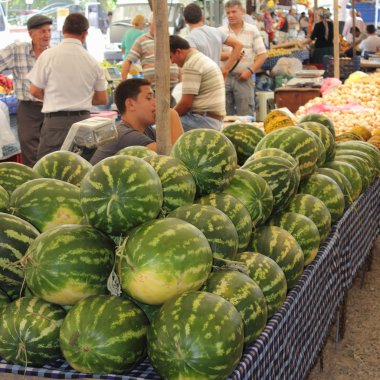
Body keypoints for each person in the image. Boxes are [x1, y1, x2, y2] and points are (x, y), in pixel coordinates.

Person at [27, 13, 107, 159]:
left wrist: (53, 98)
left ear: (63, 30)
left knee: (50, 168)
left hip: (55, 123)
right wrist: (81, 98)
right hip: (84, 122)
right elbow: (102, 98)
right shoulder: (92, 61)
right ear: (84, 34)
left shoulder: (48, 56)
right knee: (80, 168)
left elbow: (34, 90)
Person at [90, 78, 184, 165]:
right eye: (149, 98)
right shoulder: (126, 135)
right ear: (130, 104)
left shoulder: (146, 129)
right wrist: (171, 113)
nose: (155, 103)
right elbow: (175, 161)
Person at [0, 14, 52, 167]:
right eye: (42, 31)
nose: (47, 35)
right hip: (28, 108)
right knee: (29, 150)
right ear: (31, 33)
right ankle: (33, 183)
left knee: (51, 149)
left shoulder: (53, 54)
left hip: (52, 107)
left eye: (49, 31)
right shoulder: (17, 50)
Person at [219, 0, 267, 116]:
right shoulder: (220, 32)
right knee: (223, 114)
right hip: (224, 78)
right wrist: (230, 55)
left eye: (234, 12)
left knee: (246, 115)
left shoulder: (252, 30)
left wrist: (250, 71)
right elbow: (214, 54)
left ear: (242, 12)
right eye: (228, 13)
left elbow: (262, 55)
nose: (231, 15)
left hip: (244, 78)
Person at [169, 35, 226, 132]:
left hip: (202, 120)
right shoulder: (199, 58)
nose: (172, 62)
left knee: (157, 131)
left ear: (178, 52)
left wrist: (168, 117)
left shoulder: (191, 65)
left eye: (171, 57)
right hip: (212, 120)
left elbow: (185, 104)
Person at [121, 15, 179, 106]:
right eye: (156, 23)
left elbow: (180, 62)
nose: (159, 26)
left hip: (174, 88)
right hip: (154, 90)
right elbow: (128, 60)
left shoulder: (171, 39)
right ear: (150, 24)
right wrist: (123, 83)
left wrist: (181, 83)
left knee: (173, 115)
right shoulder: (142, 40)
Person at [183, 3, 242, 75]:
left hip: (202, 79)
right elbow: (238, 45)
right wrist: (225, 69)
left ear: (185, 21)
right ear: (202, 17)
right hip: (217, 77)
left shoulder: (189, 39)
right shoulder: (216, 31)